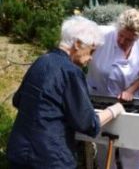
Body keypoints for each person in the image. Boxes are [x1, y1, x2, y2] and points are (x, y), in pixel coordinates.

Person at [6, 16, 125, 169]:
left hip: (19, 153)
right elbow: (87, 124)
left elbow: (17, 100)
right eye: (91, 51)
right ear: (77, 44)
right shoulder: (71, 72)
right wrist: (114, 110)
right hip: (50, 158)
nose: (91, 58)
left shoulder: (41, 61)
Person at [86, 8, 139, 169]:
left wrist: (131, 90)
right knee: (103, 146)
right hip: (99, 99)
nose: (123, 41)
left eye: (129, 39)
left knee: (131, 148)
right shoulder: (102, 34)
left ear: (137, 38)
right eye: (121, 35)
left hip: (127, 103)